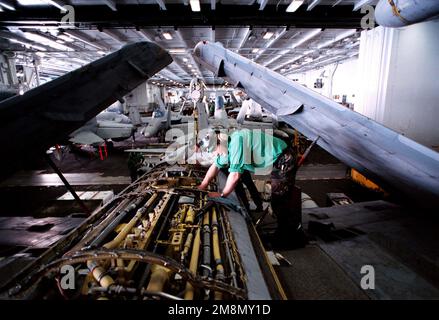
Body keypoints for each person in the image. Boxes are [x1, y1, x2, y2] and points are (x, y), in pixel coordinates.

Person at [197, 128, 300, 244]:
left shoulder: (237, 143)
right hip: (278, 160)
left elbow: (235, 175)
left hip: (284, 159)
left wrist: (222, 194)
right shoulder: (227, 146)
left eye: (214, 150)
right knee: (278, 200)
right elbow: (215, 166)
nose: (215, 154)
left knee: (280, 200)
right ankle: (284, 232)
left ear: (219, 142)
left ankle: (286, 238)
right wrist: (203, 185)